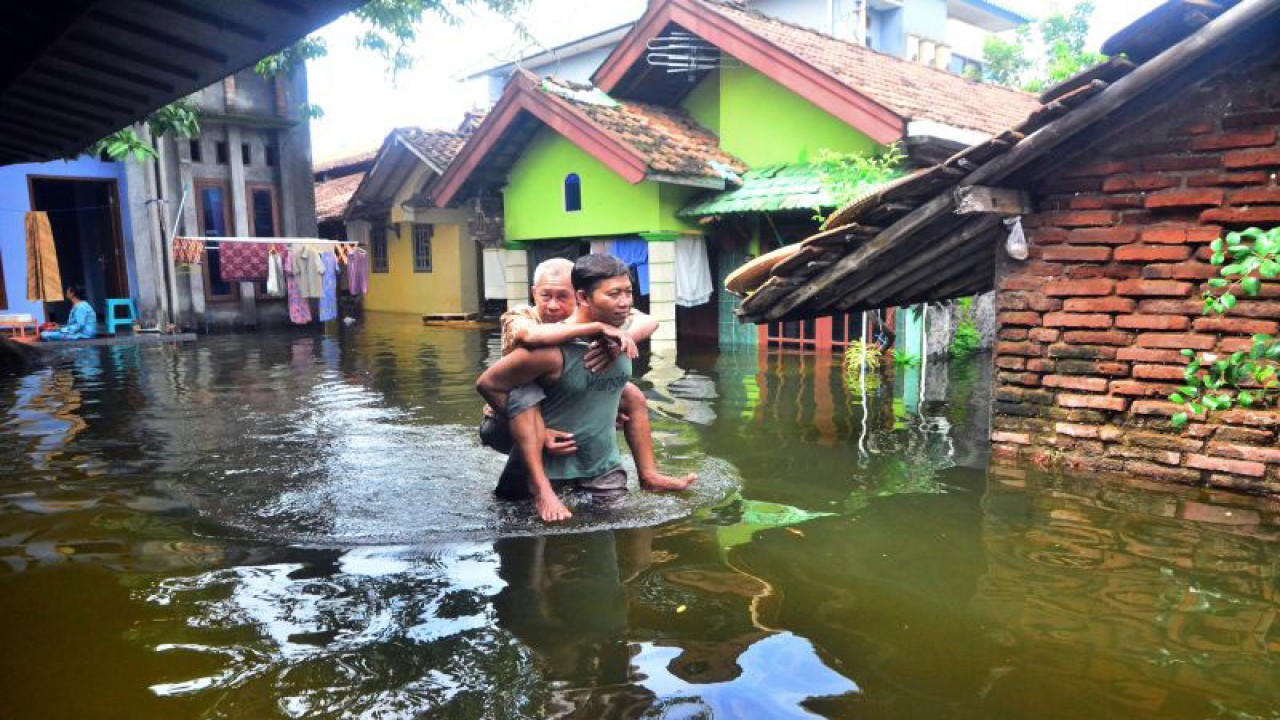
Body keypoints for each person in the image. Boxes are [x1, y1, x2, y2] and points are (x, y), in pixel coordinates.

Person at [477, 254, 691, 523]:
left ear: (575, 296)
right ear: (584, 297)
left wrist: (618, 341)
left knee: (632, 393)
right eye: (546, 296)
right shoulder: (528, 322)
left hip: (577, 409)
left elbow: (648, 321)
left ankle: (649, 475)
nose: (553, 305)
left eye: (561, 296)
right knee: (526, 394)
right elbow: (515, 353)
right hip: (504, 417)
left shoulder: (615, 322)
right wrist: (599, 327)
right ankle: (542, 487)